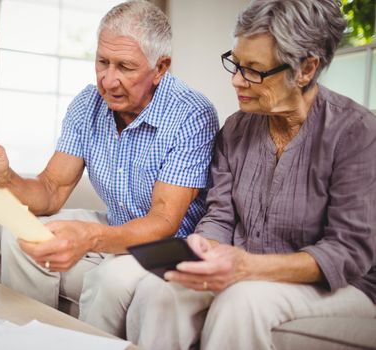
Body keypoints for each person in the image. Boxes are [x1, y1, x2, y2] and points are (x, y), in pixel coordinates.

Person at [125, 0, 376, 349]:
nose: (235, 80)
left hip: (340, 286)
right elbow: (220, 216)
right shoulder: (235, 129)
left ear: (305, 69)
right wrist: (205, 245)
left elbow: (348, 251)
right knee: (160, 288)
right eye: (235, 63)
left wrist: (249, 267)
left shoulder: (357, 132)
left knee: (241, 302)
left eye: (254, 70)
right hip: (247, 271)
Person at [0, 0, 218, 338]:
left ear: (160, 68)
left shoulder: (191, 114)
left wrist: (91, 238)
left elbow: (163, 222)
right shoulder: (88, 103)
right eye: (102, 62)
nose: (108, 80)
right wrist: (4, 178)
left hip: (169, 243)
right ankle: (29, 340)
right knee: (21, 234)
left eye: (125, 66)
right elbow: (52, 190)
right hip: (118, 223)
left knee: (107, 278)